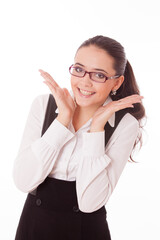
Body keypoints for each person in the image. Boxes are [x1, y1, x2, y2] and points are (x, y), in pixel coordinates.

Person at [13, 35, 145, 240]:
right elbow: (23, 182)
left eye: (99, 75)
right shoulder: (43, 105)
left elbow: (90, 203)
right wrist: (62, 121)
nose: (85, 81)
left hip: (86, 231)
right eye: (79, 69)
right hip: (33, 227)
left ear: (117, 82)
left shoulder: (125, 124)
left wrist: (97, 129)